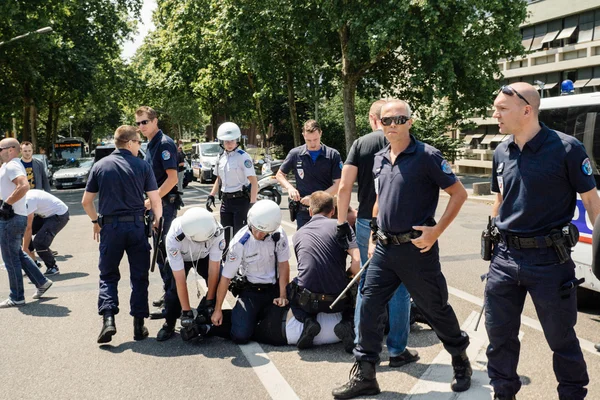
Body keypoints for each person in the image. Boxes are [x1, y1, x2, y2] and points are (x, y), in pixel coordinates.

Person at [332, 99, 471, 399]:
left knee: (435, 307)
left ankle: (459, 357)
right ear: (378, 124)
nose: (392, 125)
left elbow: (458, 194)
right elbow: (380, 198)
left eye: (399, 119)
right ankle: (366, 373)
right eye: (386, 120)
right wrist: (372, 235)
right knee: (368, 305)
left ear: (410, 122)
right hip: (383, 248)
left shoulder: (427, 156)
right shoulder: (380, 157)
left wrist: (436, 232)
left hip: (416, 250)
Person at [485, 83, 600, 400]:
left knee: (561, 338)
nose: (495, 113)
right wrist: (493, 232)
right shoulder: (501, 150)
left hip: (549, 260)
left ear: (527, 110)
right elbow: (500, 198)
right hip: (505, 259)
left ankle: (573, 394)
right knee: (499, 337)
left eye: (501, 108)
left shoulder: (566, 148)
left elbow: (592, 203)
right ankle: (503, 393)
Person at [336, 99, 418, 368]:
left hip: (364, 223)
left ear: (373, 118)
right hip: (399, 225)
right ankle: (397, 349)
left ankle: (362, 344)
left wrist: (340, 223)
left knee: (366, 285)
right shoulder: (405, 138)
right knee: (400, 289)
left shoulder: (361, 144)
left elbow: (345, 187)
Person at [82, 125, 162, 343]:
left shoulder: (100, 166)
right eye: (138, 142)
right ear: (129, 143)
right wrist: (157, 222)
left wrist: (95, 221)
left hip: (110, 229)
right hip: (136, 228)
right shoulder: (142, 166)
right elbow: (155, 201)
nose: (139, 146)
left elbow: (86, 201)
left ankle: (108, 320)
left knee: (108, 275)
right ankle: (138, 325)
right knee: (139, 277)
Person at [287, 191, 360, 351]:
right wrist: (348, 275)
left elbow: (307, 270)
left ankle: (308, 321)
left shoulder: (298, 234)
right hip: (337, 299)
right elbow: (357, 264)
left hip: (308, 301)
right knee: (355, 287)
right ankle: (347, 323)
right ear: (333, 211)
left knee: (291, 287)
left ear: (310, 211)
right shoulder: (341, 228)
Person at [211, 200, 290, 344]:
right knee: (240, 336)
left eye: (264, 232)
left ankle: (251, 320)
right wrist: (218, 309)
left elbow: (284, 265)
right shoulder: (240, 243)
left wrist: (283, 295)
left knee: (282, 329)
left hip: (273, 289)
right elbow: (226, 277)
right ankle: (229, 318)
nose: (259, 234)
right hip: (251, 291)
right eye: (256, 229)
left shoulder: (278, 235)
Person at [156, 207, 225, 341]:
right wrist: (186, 312)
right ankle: (169, 323)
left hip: (204, 256)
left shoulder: (216, 230)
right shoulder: (174, 237)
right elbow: (180, 280)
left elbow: (214, 270)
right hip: (182, 256)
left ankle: (203, 314)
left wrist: (210, 301)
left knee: (220, 280)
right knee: (173, 291)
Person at [0, 138, 53, 308]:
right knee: (17, 254)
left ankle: (17, 296)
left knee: (10, 259)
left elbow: (23, 186)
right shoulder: (8, 166)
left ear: (10, 150)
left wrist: (6, 204)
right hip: (15, 217)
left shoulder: (12, 165)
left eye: (0, 148)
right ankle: (41, 281)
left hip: (11, 218)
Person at [135, 106, 180, 309]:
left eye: (145, 122)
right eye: (138, 123)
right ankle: (169, 293)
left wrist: (152, 201)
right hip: (157, 205)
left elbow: (172, 179)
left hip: (165, 205)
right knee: (160, 252)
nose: (141, 126)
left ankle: (173, 299)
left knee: (166, 250)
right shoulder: (151, 144)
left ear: (155, 121)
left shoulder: (163, 144)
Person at [276, 120, 342, 228]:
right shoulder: (295, 154)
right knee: (304, 243)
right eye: (308, 140)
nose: (312, 143)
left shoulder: (332, 155)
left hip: (326, 211)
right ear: (303, 136)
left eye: (315, 139)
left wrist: (313, 199)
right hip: (303, 212)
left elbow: (338, 184)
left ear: (321, 133)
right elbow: (280, 174)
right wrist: (290, 188)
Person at [200, 303, 346, 349]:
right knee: (248, 330)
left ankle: (208, 317)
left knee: (245, 317)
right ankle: (208, 329)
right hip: (282, 336)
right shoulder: (344, 335)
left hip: (284, 314)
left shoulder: (341, 310)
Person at [206, 122, 258, 248]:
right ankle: (227, 263)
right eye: (226, 141)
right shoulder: (221, 158)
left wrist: (252, 204)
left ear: (237, 141)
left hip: (241, 202)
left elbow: (254, 182)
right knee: (225, 235)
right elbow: (219, 179)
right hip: (226, 202)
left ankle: (241, 265)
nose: (229, 144)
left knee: (240, 236)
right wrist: (211, 195)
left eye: (231, 141)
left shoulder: (243, 157)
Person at [22, 189, 70, 276]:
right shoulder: (23, 196)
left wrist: (25, 248)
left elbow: (28, 228)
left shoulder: (28, 200)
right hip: (46, 215)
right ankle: (34, 263)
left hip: (59, 215)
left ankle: (52, 267)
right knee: (22, 231)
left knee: (39, 242)